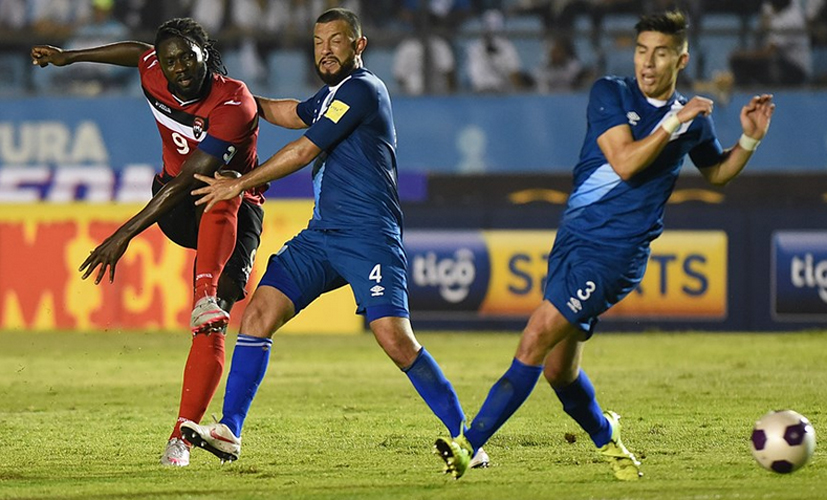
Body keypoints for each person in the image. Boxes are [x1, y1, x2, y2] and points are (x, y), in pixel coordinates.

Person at [433, 10, 774, 480]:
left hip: (616, 254)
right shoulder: (611, 93)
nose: (648, 63)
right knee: (559, 371)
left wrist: (749, 141)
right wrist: (675, 121)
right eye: (641, 51)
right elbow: (625, 161)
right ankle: (609, 439)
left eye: (660, 53)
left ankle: (468, 444)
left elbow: (715, 173)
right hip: (573, 242)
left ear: (682, 59)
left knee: (534, 335)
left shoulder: (690, 120)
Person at [178, 8, 488, 469]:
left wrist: (238, 183)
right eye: (319, 41)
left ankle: (469, 440)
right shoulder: (329, 97)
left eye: (337, 40)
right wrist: (239, 97)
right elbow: (288, 112)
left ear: (358, 46)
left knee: (395, 339)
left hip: (370, 236)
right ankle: (229, 430)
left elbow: (304, 149)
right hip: (322, 235)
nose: (326, 49)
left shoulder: (364, 89)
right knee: (258, 313)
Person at [30, 17, 265, 468]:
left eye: (187, 58)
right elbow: (137, 53)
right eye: (171, 59)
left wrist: (124, 233)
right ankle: (206, 294)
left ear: (206, 55)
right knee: (212, 279)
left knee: (223, 190)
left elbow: (190, 181)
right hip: (176, 209)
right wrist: (68, 58)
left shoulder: (233, 101)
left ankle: (181, 436)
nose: (178, 68)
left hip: (230, 205)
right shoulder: (154, 68)